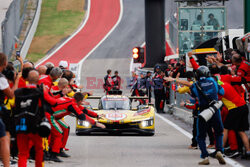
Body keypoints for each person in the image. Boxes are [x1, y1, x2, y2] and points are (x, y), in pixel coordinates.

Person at [165, 66, 226, 165]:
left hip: (203, 111)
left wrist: (175, 80)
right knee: (218, 132)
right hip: (215, 109)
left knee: (200, 136)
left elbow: (193, 95)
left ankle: (205, 156)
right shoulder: (213, 81)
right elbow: (222, 92)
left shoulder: (196, 85)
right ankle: (219, 150)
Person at [0, 53, 19, 167]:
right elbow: (11, 94)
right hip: (1, 109)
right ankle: (6, 163)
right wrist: (16, 81)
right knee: (4, 137)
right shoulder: (1, 78)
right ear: (5, 63)